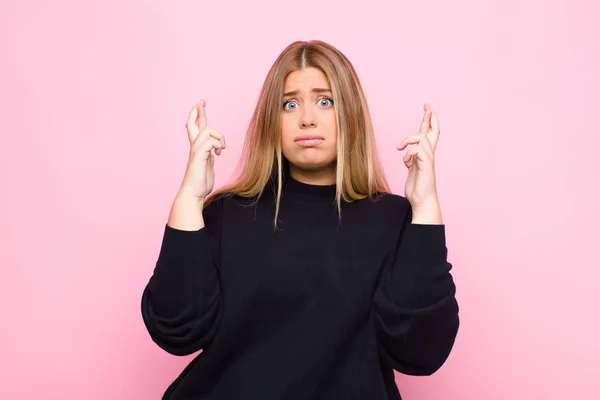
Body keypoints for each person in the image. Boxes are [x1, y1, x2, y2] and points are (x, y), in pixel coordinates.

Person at [141, 40, 459, 400]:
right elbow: (176, 330)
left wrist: (426, 206)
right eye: (289, 104)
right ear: (270, 121)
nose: (307, 117)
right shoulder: (226, 214)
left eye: (325, 101)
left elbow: (421, 351)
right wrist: (190, 198)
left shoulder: (396, 220)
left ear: (350, 114)